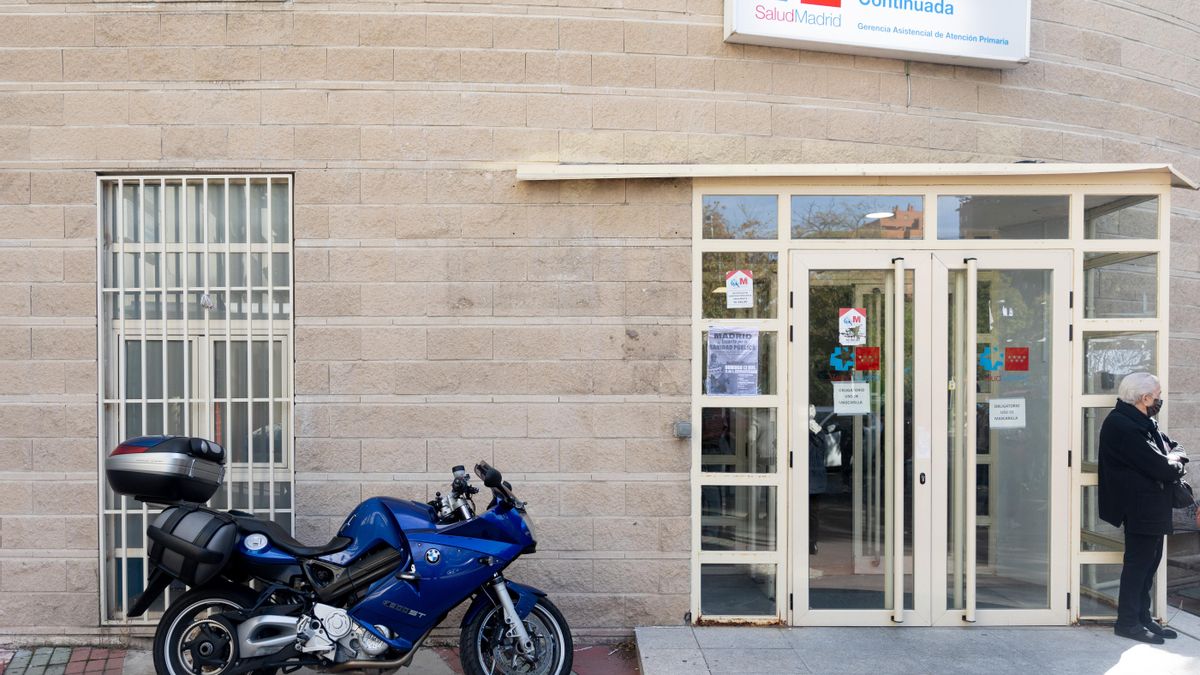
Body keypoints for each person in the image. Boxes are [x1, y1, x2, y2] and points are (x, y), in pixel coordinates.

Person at [1098, 372, 1188, 644]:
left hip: (1152, 506)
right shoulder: (1122, 425)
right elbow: (1161, 466)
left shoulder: (1145, 421)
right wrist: (1173, 462)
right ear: (1144, 397)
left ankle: (1143, 618)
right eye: (1157, 395)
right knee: (1138, 566)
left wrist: (1174, 458)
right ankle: (1127, 622)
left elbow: (1176, 449)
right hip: (1139, 507)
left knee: (1149, 564)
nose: (1160, 399)